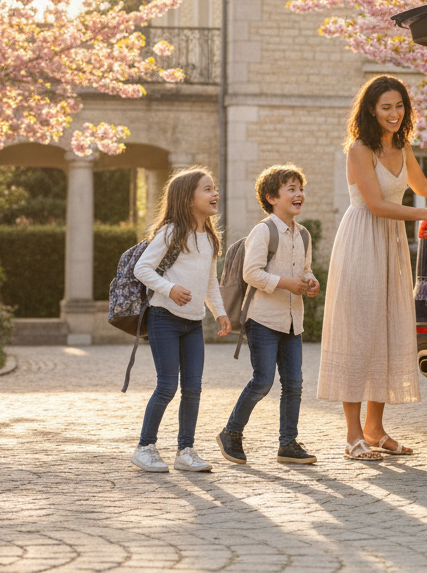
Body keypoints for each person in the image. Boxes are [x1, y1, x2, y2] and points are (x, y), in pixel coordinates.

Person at [318, 75, 427, 461]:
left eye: (399, 106)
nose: (394, 114)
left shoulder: (402, 144)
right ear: (371, 110)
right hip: (362, 240)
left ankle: (375, 430)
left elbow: (423, 185)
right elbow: (377, 204)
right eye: (386, 107)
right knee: (358, 333)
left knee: (386, 329)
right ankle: (352, 436)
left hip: (392, 245)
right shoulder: (359, 149)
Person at [216, 164, 321, 466]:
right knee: (263, 380)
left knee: (294, 384)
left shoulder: (303, 234)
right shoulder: (263, 231)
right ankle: (231, 433)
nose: (299, 194)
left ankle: (287, 444)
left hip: (292, 320)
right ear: (271, 197)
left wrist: (310, 282)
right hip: (262, 319)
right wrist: (286, 283)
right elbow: (251, 274)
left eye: (300, 189)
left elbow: (305, 270)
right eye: (291, 189)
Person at [130, 167, 232, 473]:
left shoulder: (211, 238)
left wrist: (220, 312)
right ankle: (145, 447)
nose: (215, 194)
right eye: (207, 189)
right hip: (164, 317)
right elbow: (142, 269)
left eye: (214, 188)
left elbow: (210, 281)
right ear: (188, 199)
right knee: (166, 386)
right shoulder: (172, 231)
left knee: (193, 388)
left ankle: (185, 450)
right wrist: (169, 288)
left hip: (193, 322)